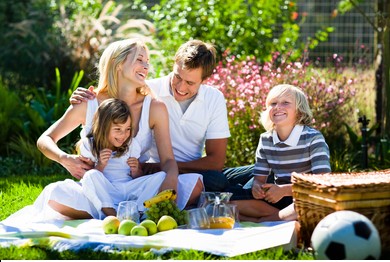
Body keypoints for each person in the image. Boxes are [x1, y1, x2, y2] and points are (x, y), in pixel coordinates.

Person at [31, 38, 203, 220]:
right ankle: (131, 213)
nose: (145, 66)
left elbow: (168, 160)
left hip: (135, 188)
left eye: (147, 62)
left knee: (194, 184)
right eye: (139, 60)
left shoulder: (154, 107)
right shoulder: (88, 103)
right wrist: (64, 159)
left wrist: (170, 181)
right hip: (97, 188)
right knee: (55, 193)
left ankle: (115, 213)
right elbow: (45, 139)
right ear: (118, 63)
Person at [71, 40, 231, 192]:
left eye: (190, 83)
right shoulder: (145, 90)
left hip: (175, 169)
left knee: (230, 178)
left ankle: (240, 198)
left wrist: (166, 169)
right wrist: (83, 98)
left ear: (204, 80)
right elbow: (113, 100)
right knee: (220, 184)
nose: (181, 87)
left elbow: (216, 161)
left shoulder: (213, 98)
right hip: (151, 173)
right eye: (178, 77)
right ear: (173, 64)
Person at [229, 84, 331, 222]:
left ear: (299, 111)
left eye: (285, 103)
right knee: (232, 203)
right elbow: (259, 179)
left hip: (306, 196)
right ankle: (279, 218)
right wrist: (257, 188)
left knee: (310, 204)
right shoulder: (265, 139)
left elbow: (322, 182)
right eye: (273, 103)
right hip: (278, 198)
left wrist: (283, 190)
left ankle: (266, 219)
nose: (278, 107)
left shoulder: (313, 138)